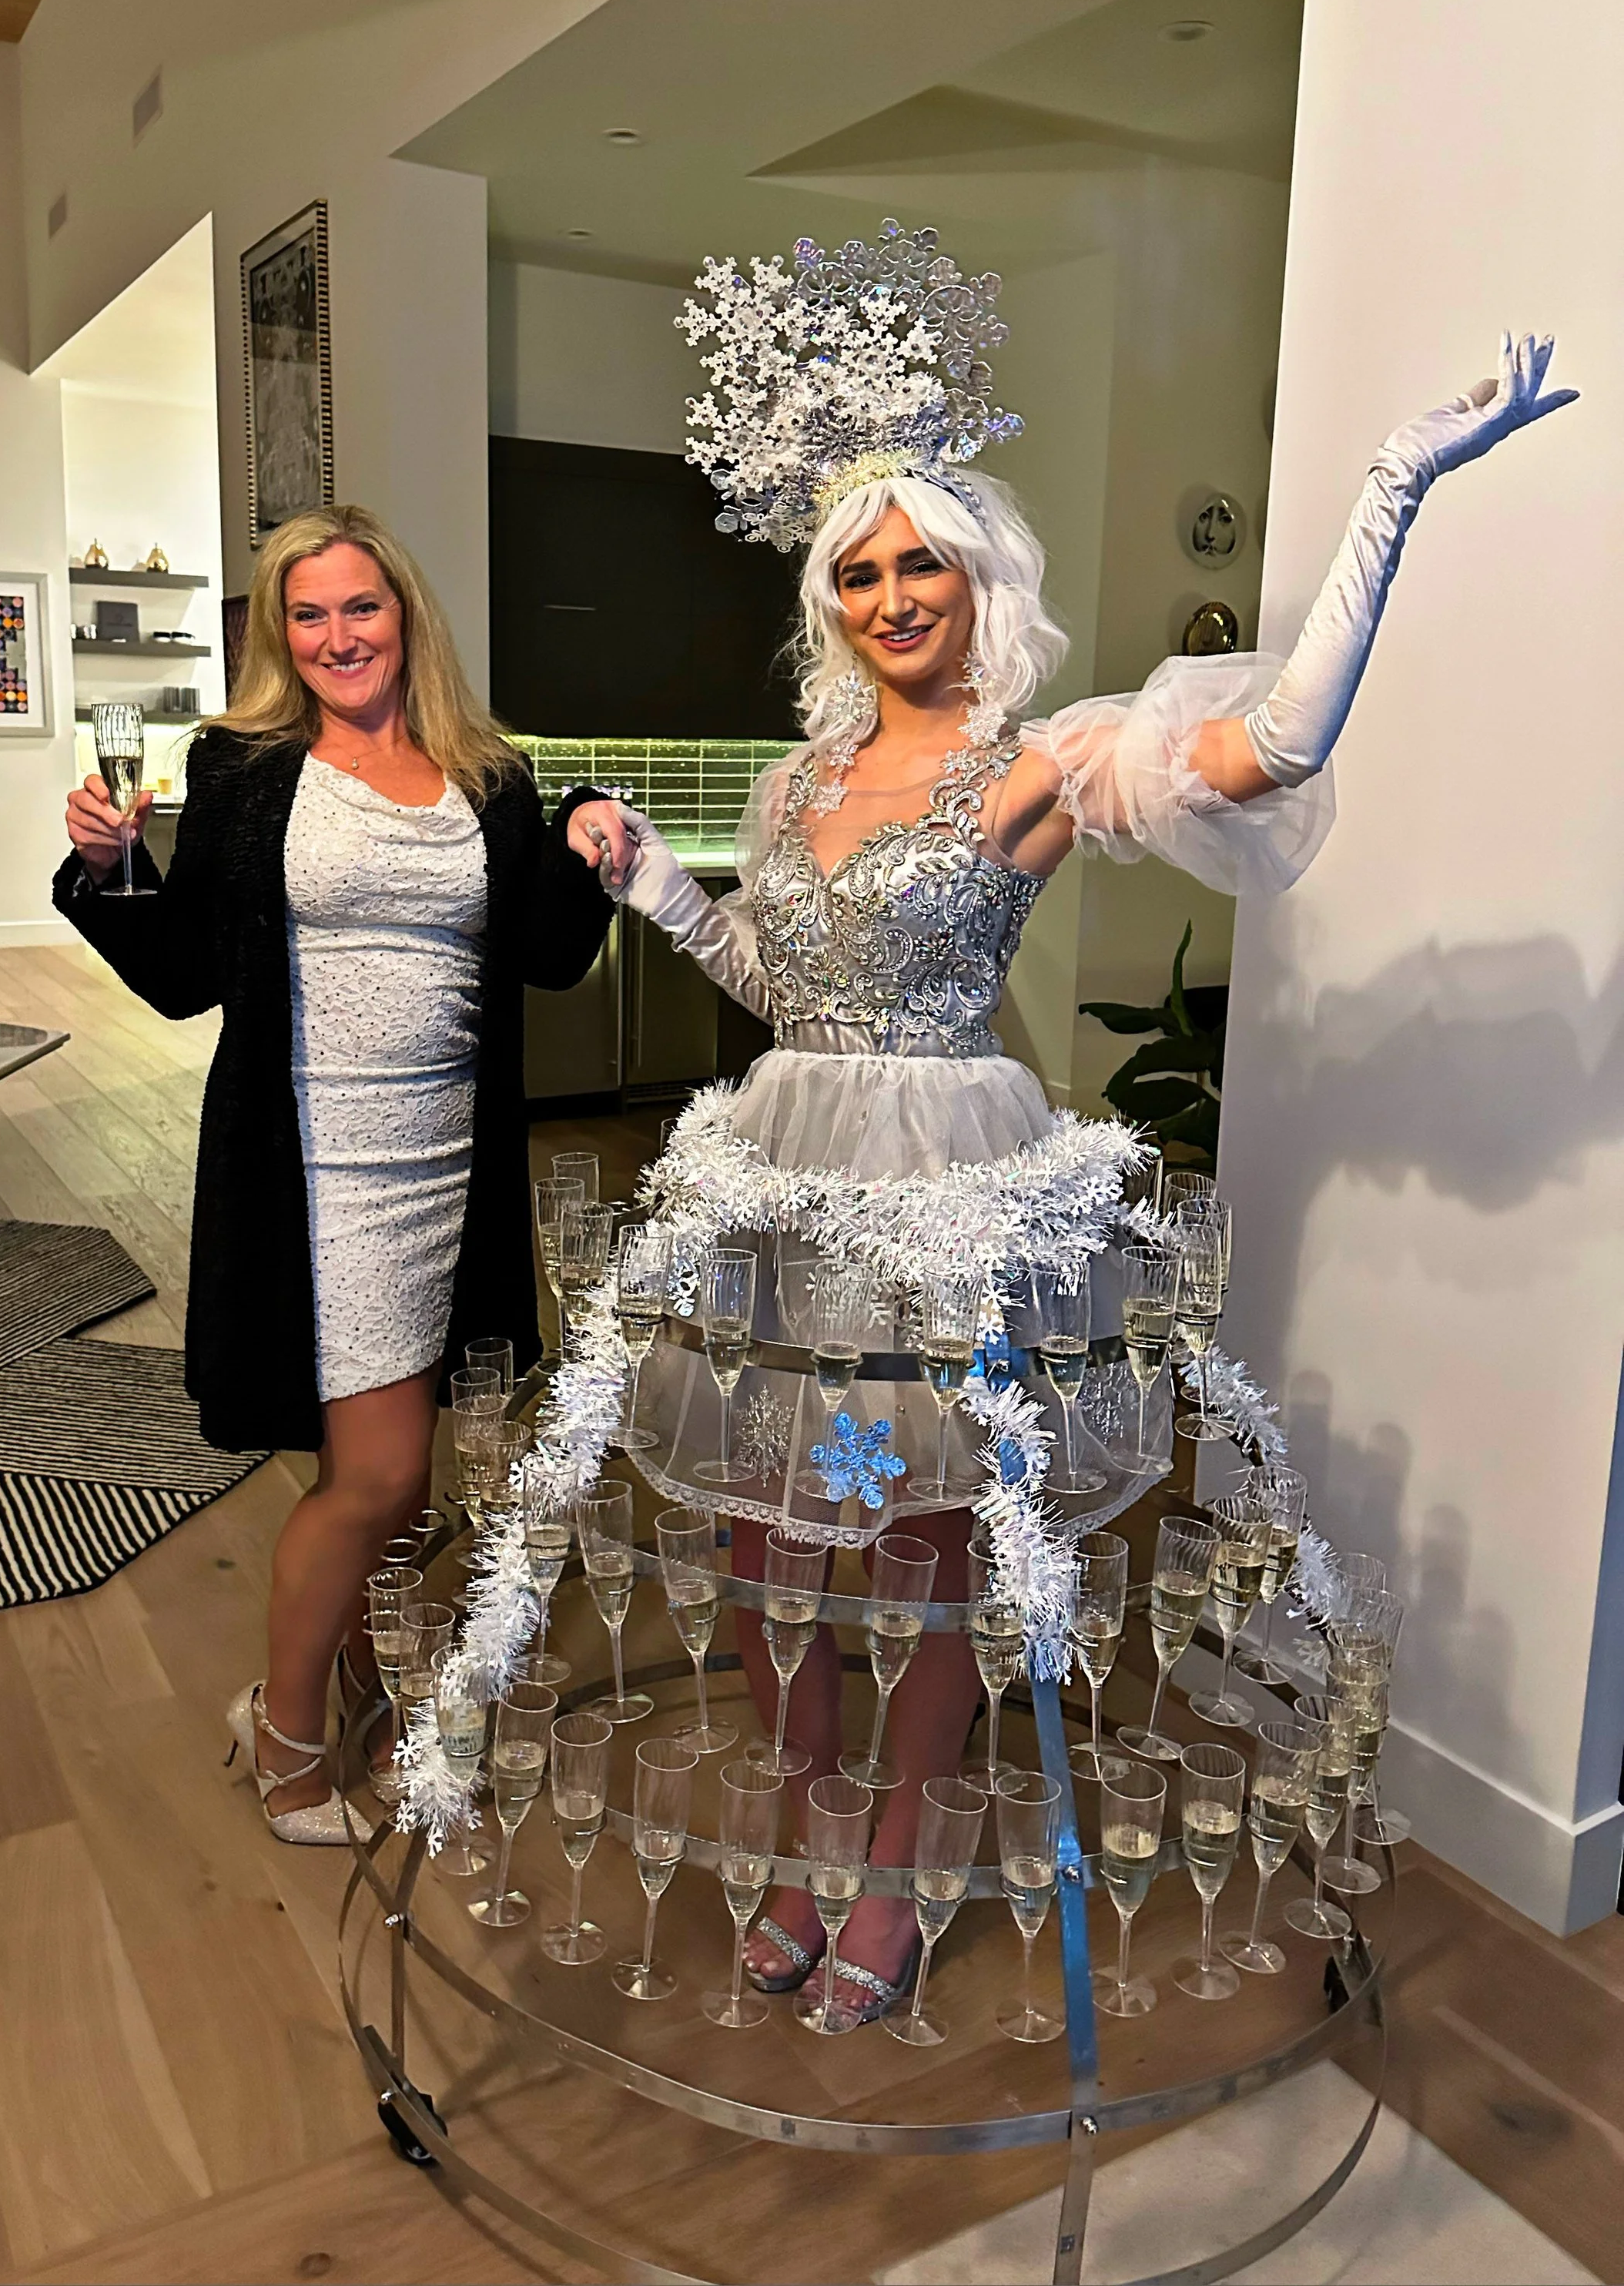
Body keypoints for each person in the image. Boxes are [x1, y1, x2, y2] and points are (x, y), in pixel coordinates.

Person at [611, 226, 1574, 2020]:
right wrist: (663, 887)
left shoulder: (1036, 759)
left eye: (924, 566)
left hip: (944, 1177)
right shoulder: (793, 775)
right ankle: (809, 1829)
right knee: (762, 1548)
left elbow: (1264, 749)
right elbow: (777, 980)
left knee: (906, 1544)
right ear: (824, 598)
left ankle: (890, 1868)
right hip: (780, 1173)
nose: (893, 596)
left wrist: (1387, 494)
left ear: (979, 581)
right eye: (860, 572)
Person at [55, 504, 628, 1842]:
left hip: (452, 1166)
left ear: (404, 612)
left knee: (408, 1473)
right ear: (280, 631)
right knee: (372, 1477)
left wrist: (592, 838)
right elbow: (190, 973)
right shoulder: (247, 769)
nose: (334, 637)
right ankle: (289, 1742)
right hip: (314, 1165)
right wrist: (109, 870)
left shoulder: (488, 773)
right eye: (305, 614)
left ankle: (358, 1697)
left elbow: (548, 951)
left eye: (357, 607)